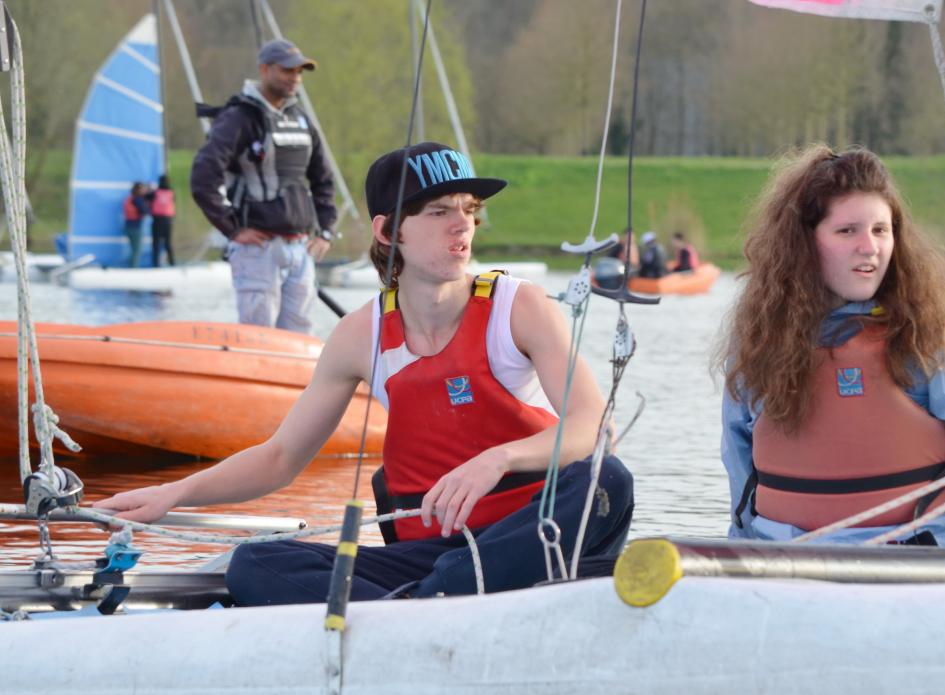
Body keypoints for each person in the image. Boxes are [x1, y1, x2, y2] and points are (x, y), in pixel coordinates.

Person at [96, 141, 634, 605]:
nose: (462, 225)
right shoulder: (359, 335)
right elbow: (280, 458)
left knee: (608, 478)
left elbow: (594, 427)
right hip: (429, 557)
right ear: (388, 230)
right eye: (439, 211)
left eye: (469, 210)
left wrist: (499, 459)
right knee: (254, 564)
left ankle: (420, 605)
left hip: (530, 535)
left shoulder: (520, 307)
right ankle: (424, 605)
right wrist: (173, 493)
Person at [717, 144, 945, 547]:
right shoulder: (759, 340)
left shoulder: (933, 338)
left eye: (880, 230)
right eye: (847, 231)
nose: (869, 247)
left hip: (911, 559)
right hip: (785, 556)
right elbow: (739, 467)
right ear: (805, 242)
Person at [190, 38, 336, 335]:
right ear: (265, 69)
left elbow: (323, 179)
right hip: (257, 250)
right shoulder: (238, 118)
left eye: (299, 72)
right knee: (258, 335)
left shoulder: (301, 119)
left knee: (299, 337)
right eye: (287, 70)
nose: (295, 78)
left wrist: (325, 232)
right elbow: (203, 176)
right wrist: (232, 228)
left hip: (301, 248)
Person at [149, 174, 176, 267]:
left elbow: (146, 197)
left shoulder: (155, 192)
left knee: (156, 242)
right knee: (167, 242)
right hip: (168, 220)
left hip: (157, 219)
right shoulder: (171, 192)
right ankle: (172, 262)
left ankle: (156, 264)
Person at [122, 182, 149, 267]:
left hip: (128, 226)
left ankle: (131, 266)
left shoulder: (130, 198)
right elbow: (145, 211)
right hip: (135, 228)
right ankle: (133, 268)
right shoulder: (137, 200)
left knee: (134, 249)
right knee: (137, 250)